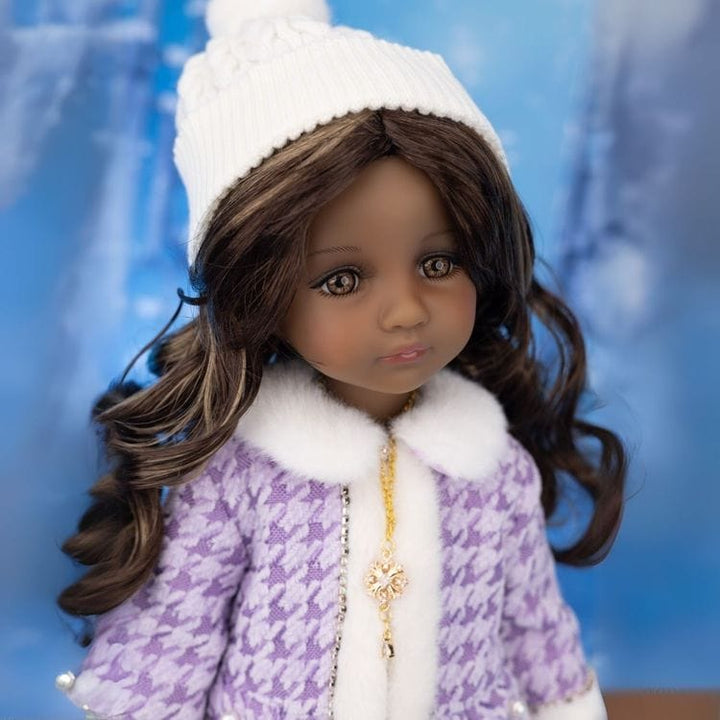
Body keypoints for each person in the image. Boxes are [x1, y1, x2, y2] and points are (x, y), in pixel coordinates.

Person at [54, 0, 625, 718]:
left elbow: (536, 632)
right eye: (342, 280)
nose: (406, 311)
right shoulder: (240, 477)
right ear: (261, 295)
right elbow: (175, 633)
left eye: (439, 263)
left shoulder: (493, 472)